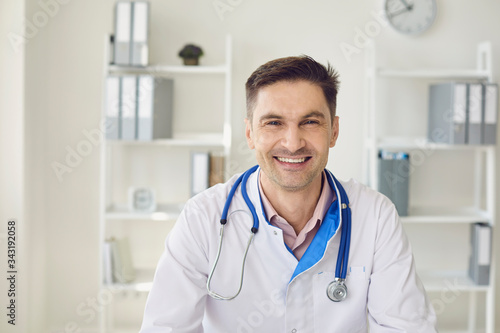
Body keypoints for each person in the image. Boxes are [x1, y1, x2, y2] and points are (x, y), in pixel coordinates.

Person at [140, 56, 437, 332]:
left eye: (310, 122)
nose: (293, 143)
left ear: (333, 131)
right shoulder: (202, 218)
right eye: (273, 123)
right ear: (250, 134)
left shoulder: (375, 216)